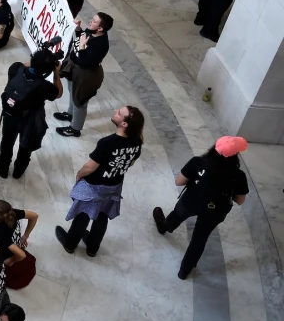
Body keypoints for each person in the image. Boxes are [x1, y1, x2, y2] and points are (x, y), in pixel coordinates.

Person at [153, 135, 249, 279]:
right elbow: (240, 200)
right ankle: (184, 271)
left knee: (177, 215)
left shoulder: (198, 162)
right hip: (216, 210)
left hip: (191, 201)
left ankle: (164, 227)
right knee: (200, 238)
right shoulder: (239, 176)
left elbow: (179, 181)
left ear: (214, 148)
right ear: (236, 155)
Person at [55, 105, 145, 256]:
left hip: (94, 185)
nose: (115, 111)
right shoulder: (137, 142)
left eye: (119, 113)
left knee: (83, 213)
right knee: (102, 216)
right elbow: (131, 162)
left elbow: (90, 167)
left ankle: (70, 244)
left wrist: (79, 174)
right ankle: (92, 247)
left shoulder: (107, 143)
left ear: (124, 124)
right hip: (114, 185)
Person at [0, 49, 62, 179]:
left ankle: (3, 169)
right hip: (29, 120)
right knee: (25, 147)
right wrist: (56, 73)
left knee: (7, 142)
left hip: (10, 114)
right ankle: (18, 172)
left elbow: (25, 65)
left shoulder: (15, 68)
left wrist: (38, 59)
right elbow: (58, 93)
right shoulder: (45, 86)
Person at [53, 12, 112, 137]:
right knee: (72, 91)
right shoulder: (91, 31)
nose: (90, 22)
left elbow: (86, 62)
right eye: (92, 19)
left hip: (85, 75)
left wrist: (81, 46)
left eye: (94, 21)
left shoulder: (101, 44)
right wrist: (79, 29)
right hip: (74, 68)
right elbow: (82, 37)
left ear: (100, 28)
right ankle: (70, 114)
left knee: (79, 101)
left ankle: (75, 128)